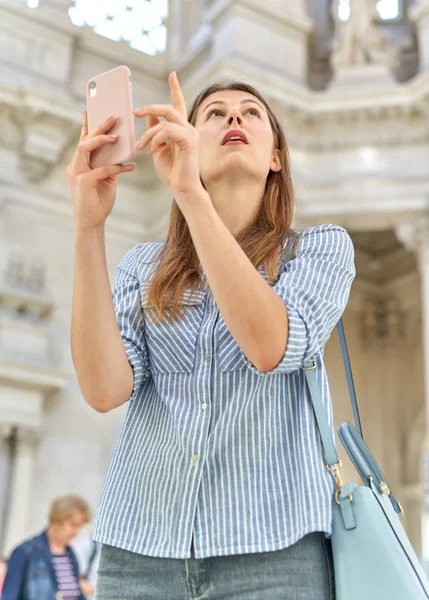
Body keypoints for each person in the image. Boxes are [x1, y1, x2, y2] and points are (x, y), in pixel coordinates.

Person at [67, 71, 355, 599]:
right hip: (139, 554)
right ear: (190, 144)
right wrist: (89, 229)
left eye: (250, 112)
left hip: (275, 553)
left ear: (276, 157)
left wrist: (190, 195)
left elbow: (270, 347)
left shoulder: (318, 252)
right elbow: (104, 390)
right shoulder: (144, 267)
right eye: (214, 113)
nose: (234, 118)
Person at [1, 495, 92, 600]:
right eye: (73, 525)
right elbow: (9, 596)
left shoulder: (70, 554)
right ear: (57, 519)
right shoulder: (25, 551)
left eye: (79, 527)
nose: (76, 532)